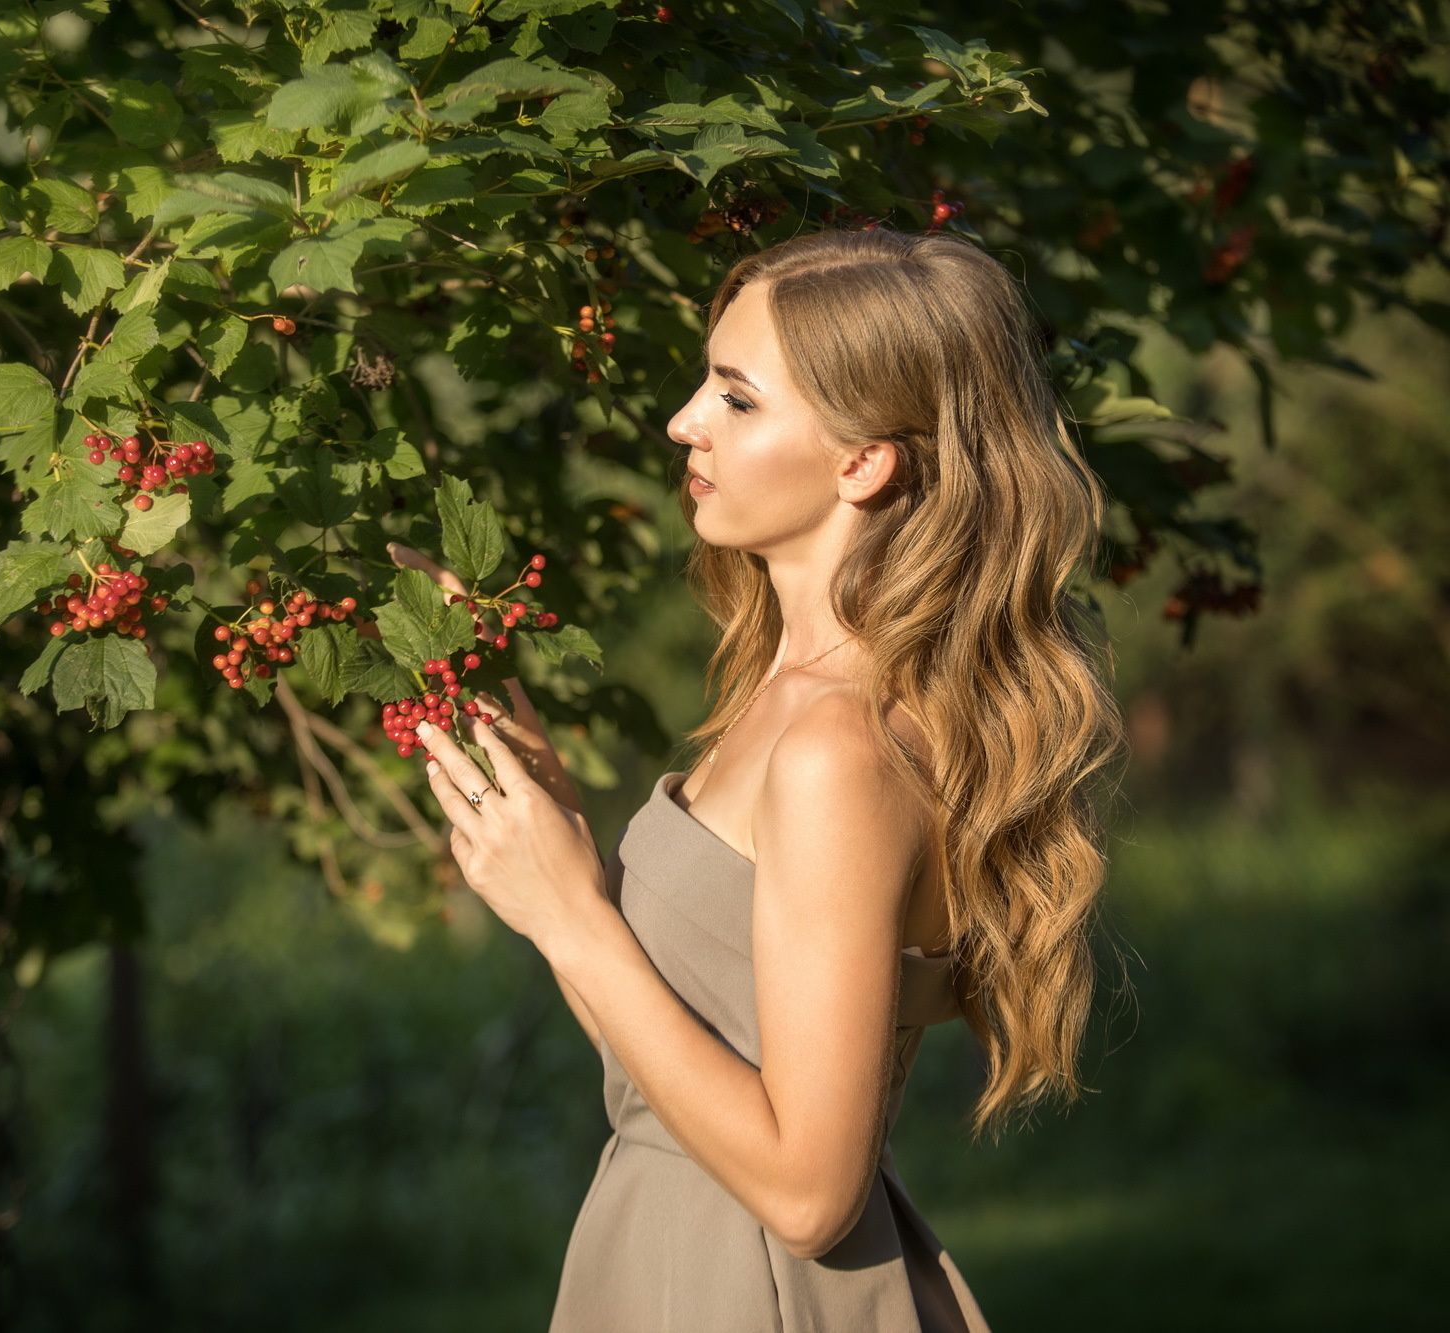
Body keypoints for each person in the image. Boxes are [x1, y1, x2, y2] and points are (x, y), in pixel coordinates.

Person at [395, 227, 1124, 1331]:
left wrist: (572, 918)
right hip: (670, 1245)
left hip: (742, 1286)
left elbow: (806, 1191)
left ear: (860, 460)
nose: (684, 419)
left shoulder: (839, 746)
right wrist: (557, 843)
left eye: (735, 399)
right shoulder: (781, 692)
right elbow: (664, 1068)